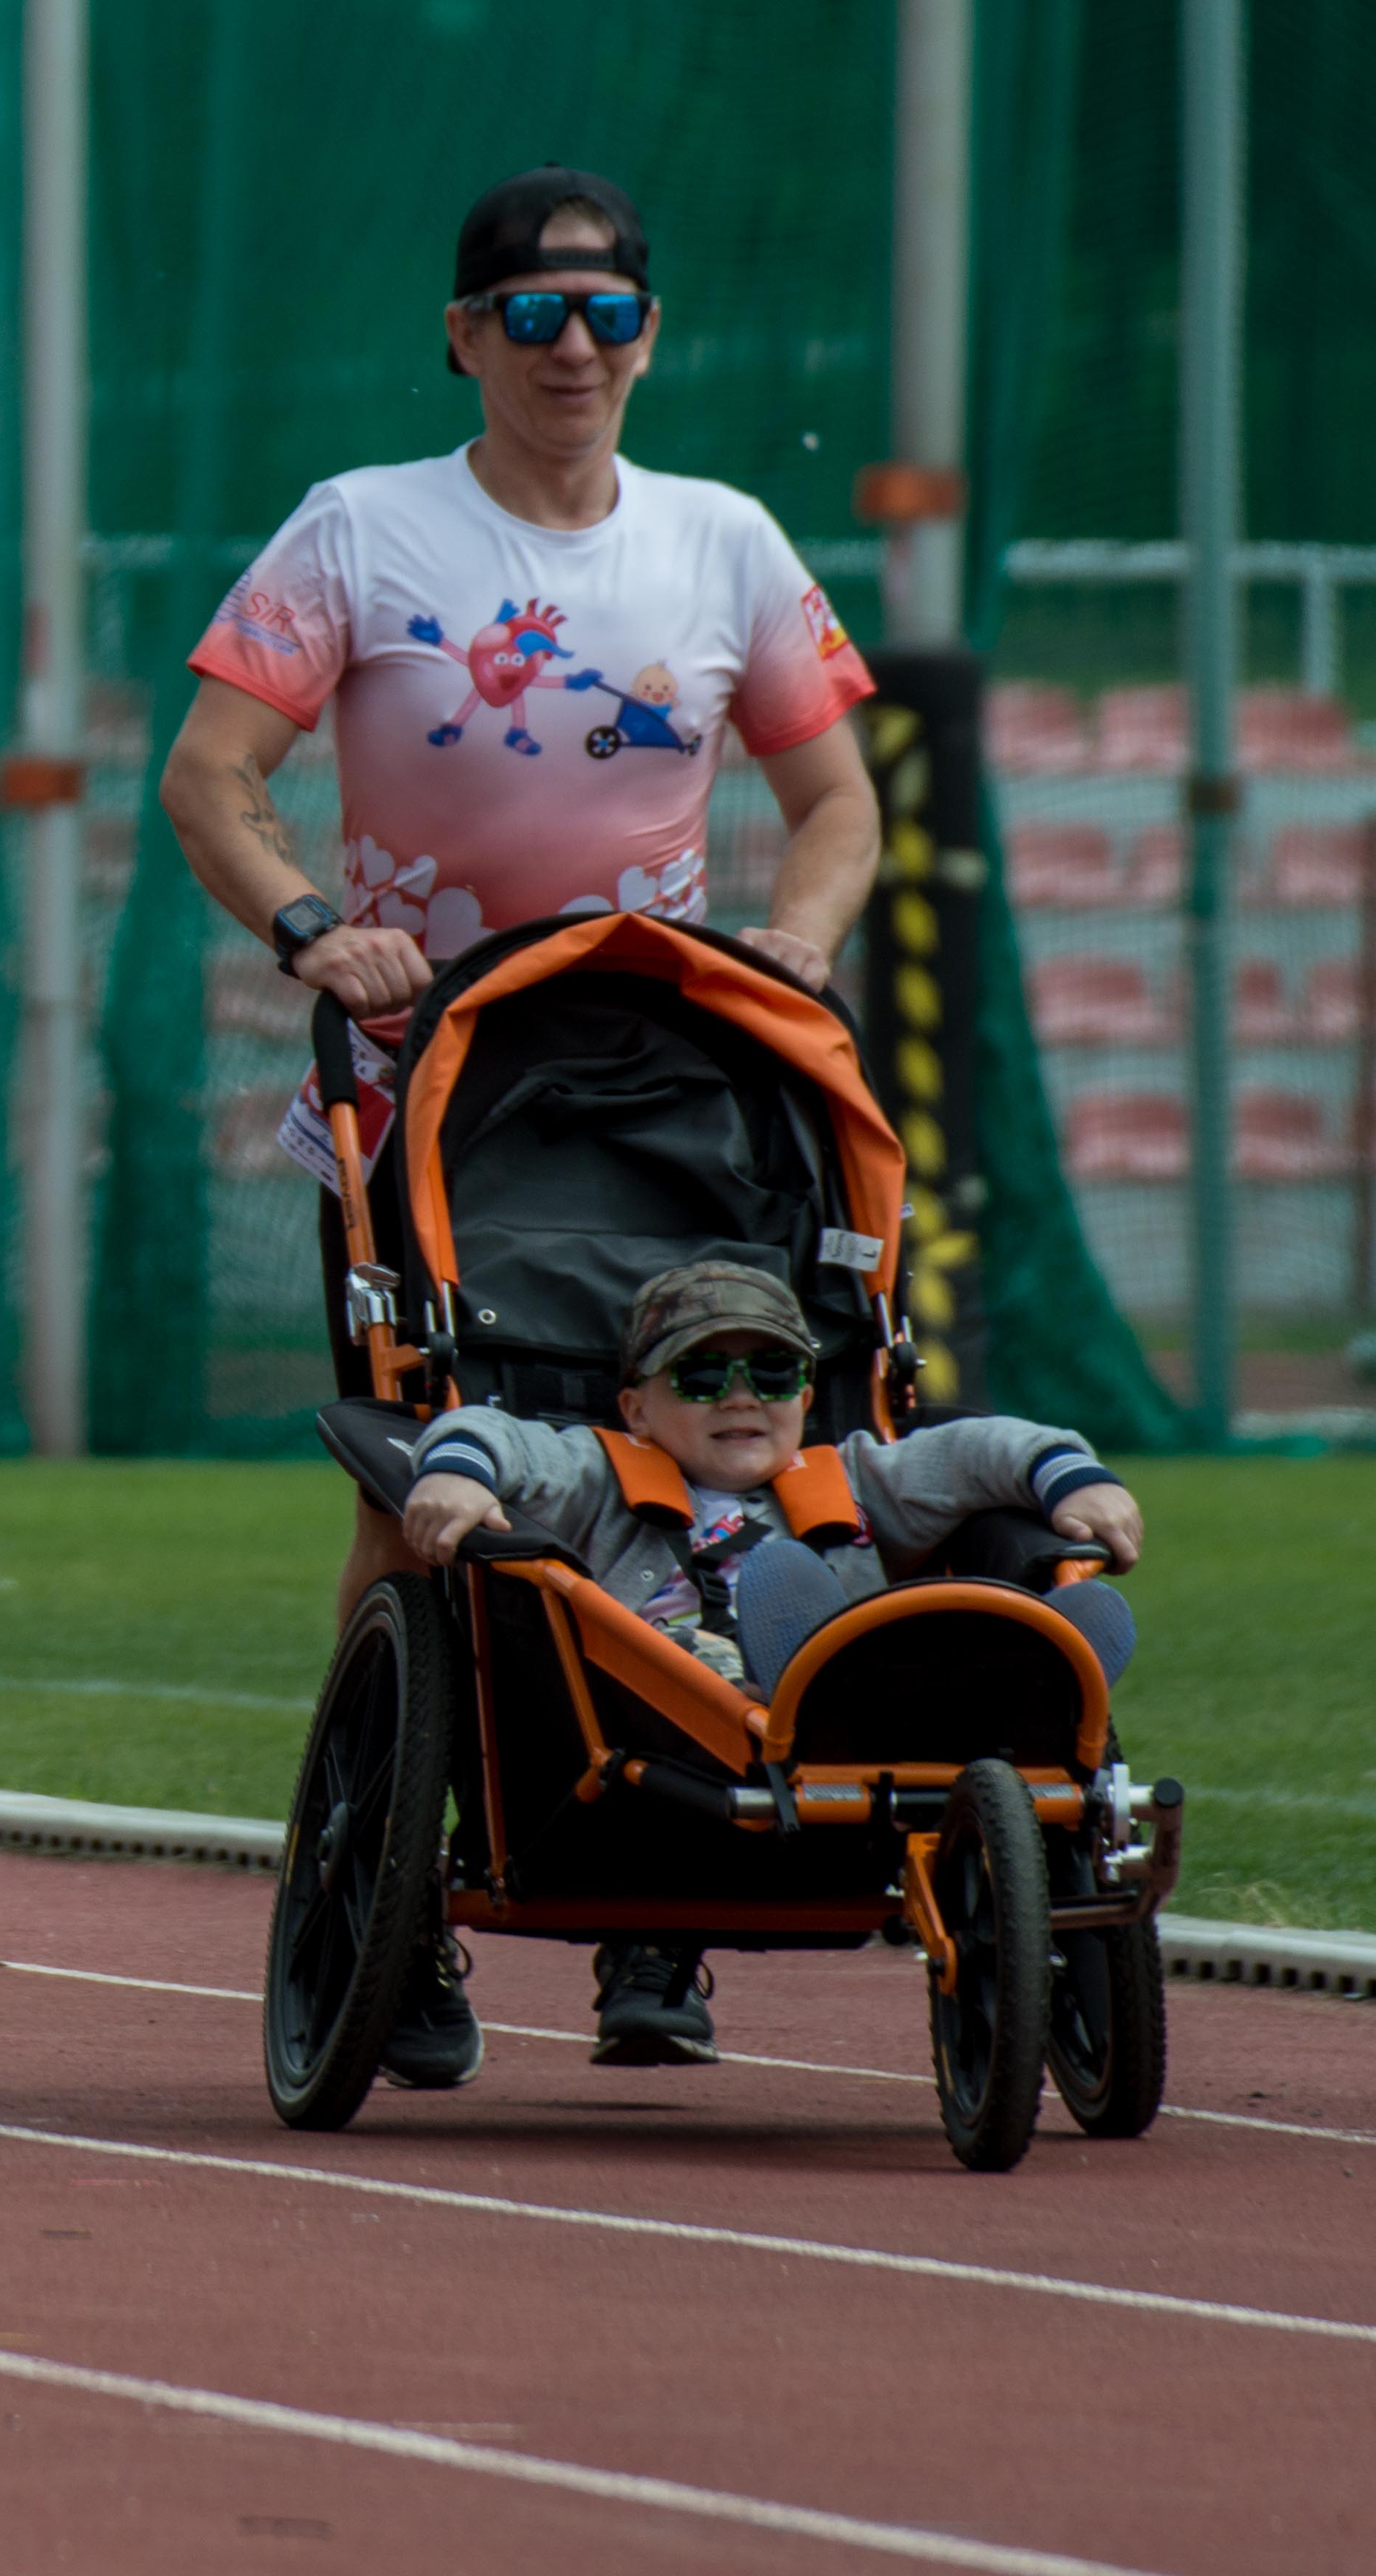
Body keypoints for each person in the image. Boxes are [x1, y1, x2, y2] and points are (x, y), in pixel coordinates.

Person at [156, 163, 884, 2085]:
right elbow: (207, 774)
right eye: (534, 313)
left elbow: (837, 804)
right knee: (421, 1484)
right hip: (419, 1101)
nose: (574, 348)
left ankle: (660, 1891)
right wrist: (317, 927)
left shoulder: (721, 539)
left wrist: (790, 948)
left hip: (656, 1092)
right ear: (465, 333)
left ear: (649, 333)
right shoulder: (359, 533)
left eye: (608, 312)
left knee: (705, 1444)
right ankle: (383, 1873)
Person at [394, 1261, 1145, 2069]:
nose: (740, 1395)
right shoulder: (595, 1473)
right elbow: (494, 1434)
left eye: (773, 1371)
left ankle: (1027, 1674)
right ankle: (807, 1685)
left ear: (806, 1396)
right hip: (671, 1719)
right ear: (634, 1408)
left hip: (868, 1718)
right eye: (702, 1373)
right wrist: (454, 1472)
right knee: (778, 1582)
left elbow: (976, 1448)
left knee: (866, 1605)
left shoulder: (852, 1476)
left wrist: (1076, 1480)